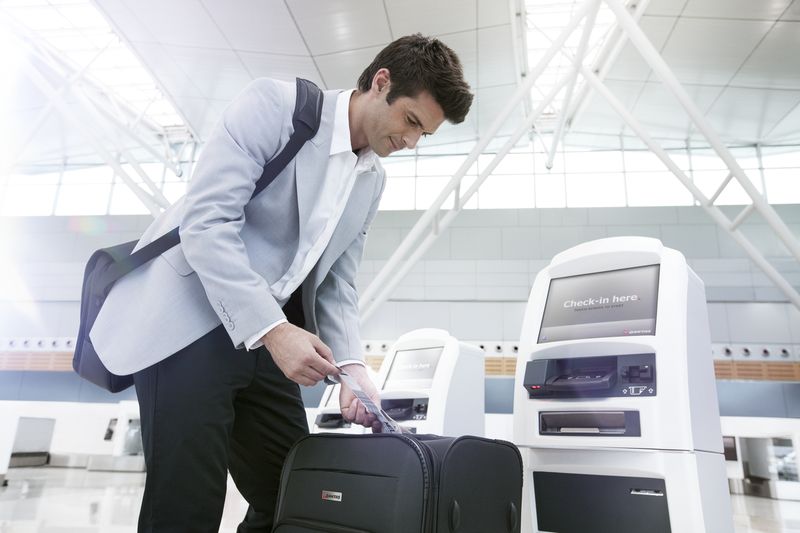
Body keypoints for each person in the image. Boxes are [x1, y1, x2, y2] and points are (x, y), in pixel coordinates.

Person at [90, 33, 472, 531]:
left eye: (426, 134)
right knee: (187, 505)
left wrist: (354, 369)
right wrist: (275, 331)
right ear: (382, 83)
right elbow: (205, 224)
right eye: (411, 121)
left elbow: (338, 281)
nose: (412, 141)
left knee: (296, 491)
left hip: (264, 339)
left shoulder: (371, 180)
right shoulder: (276, 107)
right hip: (190, 321)